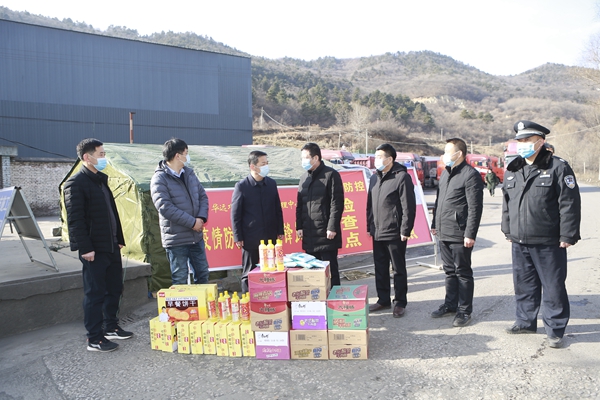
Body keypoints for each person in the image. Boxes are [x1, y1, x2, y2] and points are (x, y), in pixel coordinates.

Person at [502, 120, 581, 348]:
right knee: (524, 284)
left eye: (527, 140)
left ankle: (555, 329)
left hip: (548, 240)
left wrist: (568, 235)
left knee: (553, 286)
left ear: (540, 142)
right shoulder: (513, 169)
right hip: (519, 239)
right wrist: (508, 229)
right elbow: (507, 204)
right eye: (520, 140)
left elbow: (569, 203)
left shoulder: (557, 167)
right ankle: (525, 321)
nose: (522, 144)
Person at [63, 138, 133, 353]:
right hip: (94, 249)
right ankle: (94, 338)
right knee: (95, 293)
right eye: (101, 154)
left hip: (110, 245)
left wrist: (118, 238)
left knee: (114, 288)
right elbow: (76, 220)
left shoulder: (100, 180)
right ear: (87, 157)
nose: (104, 158)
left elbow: (111, 213)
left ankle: (110, 326)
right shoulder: (75, 183)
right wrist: (85, 248)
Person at [430, 138, 484, 327]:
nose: (444, 155)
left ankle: (464, 310)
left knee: (462, 272)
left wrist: (470, 233)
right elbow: (439, 201)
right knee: (449, 271)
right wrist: (434, 223)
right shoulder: (446, 173)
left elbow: (475, 208)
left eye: (447, 151)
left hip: (459, 233)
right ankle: (450, 304)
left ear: (459, 153)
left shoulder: (470, 175)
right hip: (443, 230)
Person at [150, 138, 209, 286]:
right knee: (180, 278)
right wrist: (192, 222)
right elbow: (165, 207)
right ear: (178, 155)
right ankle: (182, 303)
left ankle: (202, 302)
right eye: (186, 153)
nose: (188, 157)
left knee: (203, 274)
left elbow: (202, 196)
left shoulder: (189, 174)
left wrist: (201, 218)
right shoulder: (159, 178)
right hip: (176, 239)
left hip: (196, 237)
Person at [366, 143, 416, 318]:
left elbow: (408, 206)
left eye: (379, 157)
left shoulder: (402, 177)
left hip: (395, 232)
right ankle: (383, 299)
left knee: (398, 269)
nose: (376, 160)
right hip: (377, 230)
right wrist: (369, 226)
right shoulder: (374, 178)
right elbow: (370, 205)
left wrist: (405, 230)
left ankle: (400, 302)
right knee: (380, 267)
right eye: (375, 156)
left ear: (389, 159)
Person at [231, 150, 284, 293]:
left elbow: (277, 209)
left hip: (270, 236)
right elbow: (235, 214)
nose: (266, 166)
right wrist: (238, 237)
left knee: (271, 270)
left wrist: (280, 230)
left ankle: (271, 296)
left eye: (267, 163)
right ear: (253, 166)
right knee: (249, 272)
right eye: (263, 163)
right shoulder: (242, 186)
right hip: (251, 237)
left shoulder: (271, 184)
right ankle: (248, 299)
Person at [296, 143, 344, 286]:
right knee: (313, 273)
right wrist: (299, 226)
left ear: (316, 158)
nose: (303, 161)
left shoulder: (331, 175)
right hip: (309, 234)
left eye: (306, 158)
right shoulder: (304, 178)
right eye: (302, 158)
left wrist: (332, 227)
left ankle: (334, 297)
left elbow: (337, 203)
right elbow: (300, 205)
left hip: (326, 234)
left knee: (330, 271)